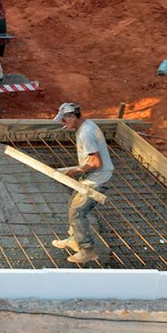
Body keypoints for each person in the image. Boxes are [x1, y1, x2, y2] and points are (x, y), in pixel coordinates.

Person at [51, 102, 114, 264]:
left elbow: (95, 163)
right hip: (94, 175)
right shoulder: (87, 125)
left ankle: (87, 250)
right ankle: (75, 240)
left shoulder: (85, 134)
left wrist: (76, 171)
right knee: (74, 204)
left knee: (77, 212)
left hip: (97, 178)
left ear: (73, 116)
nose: (62, 123)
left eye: (64, 119)